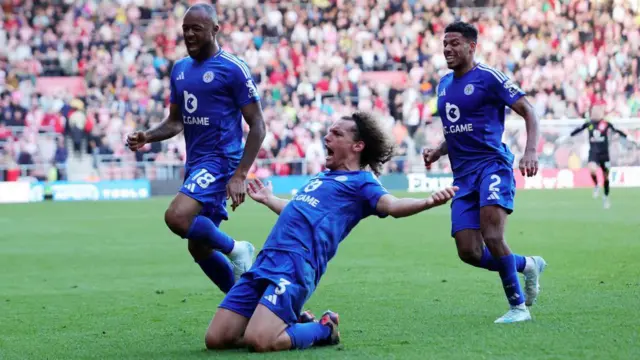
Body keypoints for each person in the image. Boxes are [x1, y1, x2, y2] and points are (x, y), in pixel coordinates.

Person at [204, 112, 459, 352]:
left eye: (337, 134)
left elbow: (392, 206)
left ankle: (324, 329)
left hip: (296, 264)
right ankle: (288, 317)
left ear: (357, 146)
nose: (327, 137)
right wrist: (270, 199)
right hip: (266, 259)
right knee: (217, 339)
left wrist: (427, 202)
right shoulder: (320, 177)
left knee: (260, 340)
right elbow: (298, 211)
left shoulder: (363, 183)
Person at [126, 3, 266, 294]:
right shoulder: (180, 70)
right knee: (199, 249)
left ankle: (238, 249)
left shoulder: (233, 69)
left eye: (196, 29)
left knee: (176, 217)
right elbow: (176, 122)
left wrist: (240, 174)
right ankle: (245, 305)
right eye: (185, 29)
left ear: (215, 30)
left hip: (221, 161)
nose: (189, 34)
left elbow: (258, 125)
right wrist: (148, 136)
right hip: (197, 164)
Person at [422, 21, 546, 324]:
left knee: (492, 234)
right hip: (462, 179)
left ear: (471, 46)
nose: (448, 49)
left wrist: (530, 151)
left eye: (454, 43)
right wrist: (439, 150)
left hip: (492, 166)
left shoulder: (489, 77)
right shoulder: (442, 85)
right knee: (469, 251)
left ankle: (518, 307)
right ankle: (527, 264)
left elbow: (528, 109)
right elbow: (457, 129)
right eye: (445, 43)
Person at [557, 101, 639, 208]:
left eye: (598, 111)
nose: (595, 113)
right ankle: (596, 185)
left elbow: (618, 131)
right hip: (594, 153)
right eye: (594, 111)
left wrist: (630, 139)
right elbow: (578, 130)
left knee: (606, 177)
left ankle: (605, 196)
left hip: (604, 154)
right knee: (592, 168)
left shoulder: (606, 124)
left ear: (601, 112)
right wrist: (565, 138)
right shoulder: (589, 123)